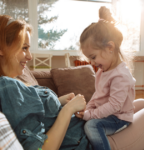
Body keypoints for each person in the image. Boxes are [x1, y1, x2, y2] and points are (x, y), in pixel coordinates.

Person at [0, 15, 93, 150]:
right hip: (94, 140)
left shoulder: (12, 85)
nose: (30, 56)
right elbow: (42, 148)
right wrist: (68, 110)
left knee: (135, 105)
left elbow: (38, 116)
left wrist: (59, 102)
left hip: (92, 130)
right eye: (24, 48)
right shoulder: (7, 88)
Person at [75, 6, 136, 150]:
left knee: (91, 125)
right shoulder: (104, 70)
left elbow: (115, 105)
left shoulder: (120, 75)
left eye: (93, 57)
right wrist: (88, 108)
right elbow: (98, 94)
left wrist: (91, 115)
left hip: (118, 118)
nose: (93, 63)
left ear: (110, 48)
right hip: (110, 113)